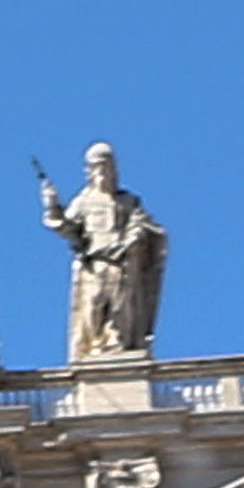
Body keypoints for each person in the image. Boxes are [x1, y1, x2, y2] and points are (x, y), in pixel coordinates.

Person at [43, 142, 168, 362]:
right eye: (97, 167)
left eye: (106, 166)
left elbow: (143, 225)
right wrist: (53, 206)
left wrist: (133, 239)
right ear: (89, 171)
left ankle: (114, 343)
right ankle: (97, 345)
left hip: (121, 263)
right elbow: (67, 228)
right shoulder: (84, 201)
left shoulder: (128, 201)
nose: (102, 172)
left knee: (120, 308)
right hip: (95, 262)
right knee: (93, 306)